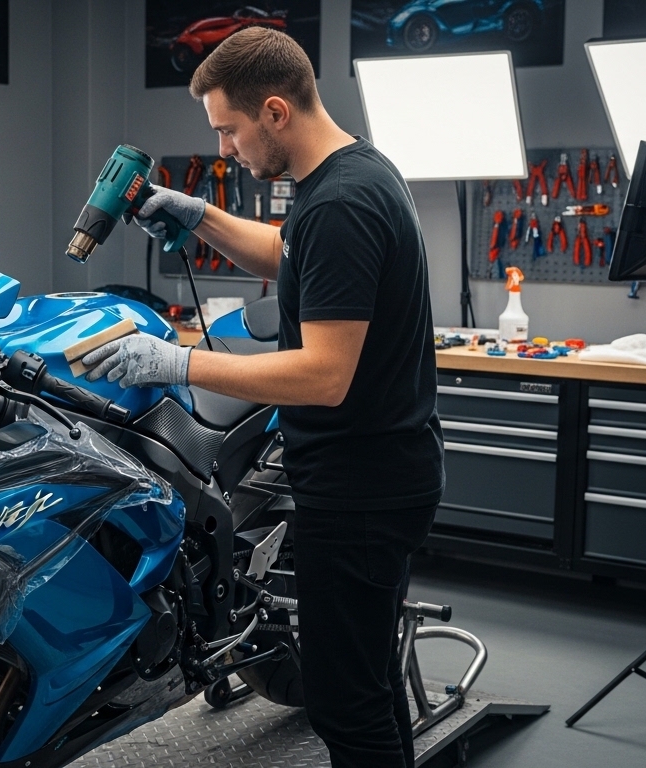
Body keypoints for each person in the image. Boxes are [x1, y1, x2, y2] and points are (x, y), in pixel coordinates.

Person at [82, 27, 444, 768]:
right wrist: (199, 216)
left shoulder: (343, 202)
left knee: (346, 705)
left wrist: (175, 361)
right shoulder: (351, 172)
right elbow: (291, 252)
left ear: (274, 111)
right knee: (369, 688)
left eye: (229, 129)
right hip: (382, 472)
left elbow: (322, 375)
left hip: (362, 489)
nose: (225, 149)